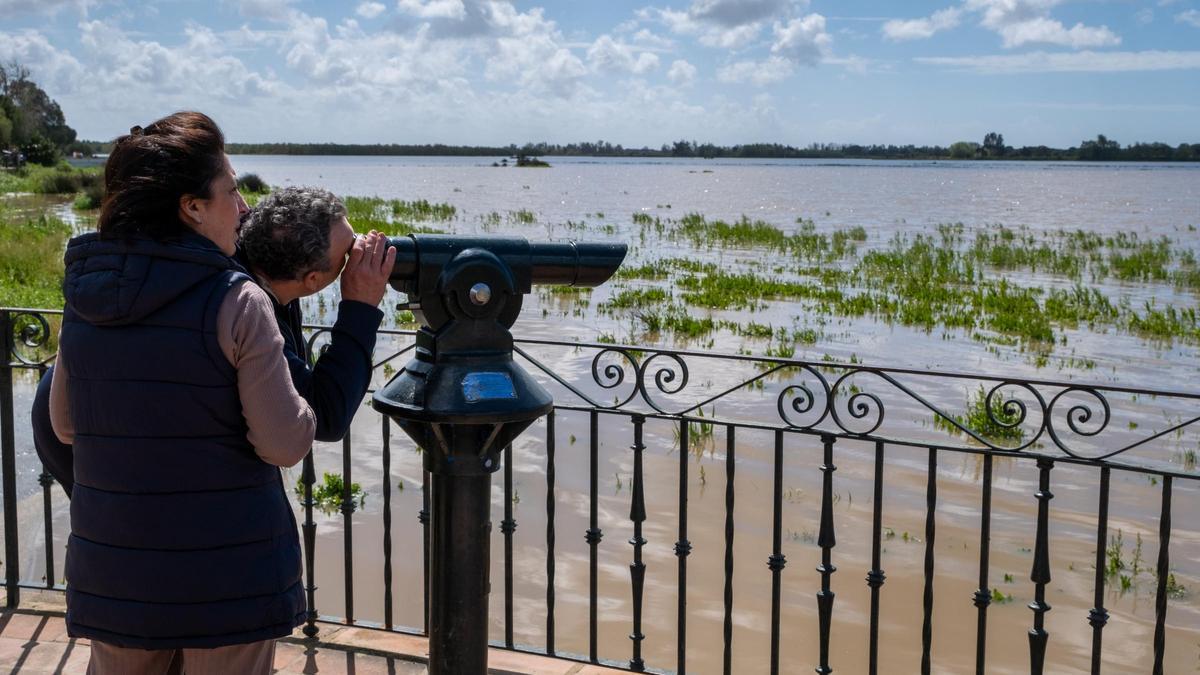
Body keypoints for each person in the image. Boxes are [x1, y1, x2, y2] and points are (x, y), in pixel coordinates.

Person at [47, 111, 393, 674]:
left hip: (116, 570)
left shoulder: (87, 293)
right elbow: (285, 443)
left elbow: (64, 423)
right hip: (226, 580)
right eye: (231, 190)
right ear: (192, 207)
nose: (244, 206)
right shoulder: (238, 299)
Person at [32, 187, 394, 496]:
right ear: (313, 279)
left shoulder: (236, 265)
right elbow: (325, 415)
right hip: (80, 425)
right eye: (345, 257)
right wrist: (359, 308)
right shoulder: (240, 302)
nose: (354, 257)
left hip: (70, 409)